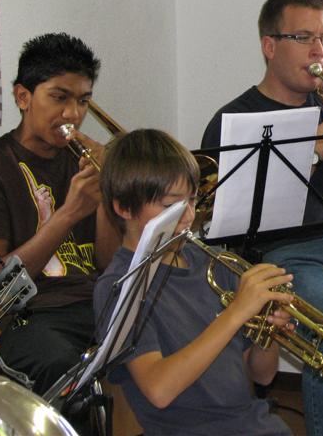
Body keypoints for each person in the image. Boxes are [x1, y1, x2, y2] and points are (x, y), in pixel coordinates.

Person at [201, 0, 323, 436]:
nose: (320, 51)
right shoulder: (234, 121)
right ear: (269, 46)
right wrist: (312, 152)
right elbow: (231, 222)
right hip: (283, 255)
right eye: (304, 38)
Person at [94, 129, 293, 435]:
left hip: (254, 424)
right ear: (124, 208)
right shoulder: (119, 286)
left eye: (192, 200)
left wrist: (268, 333)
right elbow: (159, 390)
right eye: (171, 206)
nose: (188, 216)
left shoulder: (216, 265)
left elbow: (262, 376)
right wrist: (236, 312)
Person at [0, 33, 118, 395]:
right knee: (65, 366)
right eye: (59, 97)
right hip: (28, 315)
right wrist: (68, 214)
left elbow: (108, 261)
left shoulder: (82, 161)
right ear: (23, 97)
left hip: (92, 302)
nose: (73, 114)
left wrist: (106, 190)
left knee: (164, 332)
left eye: (83, 101)